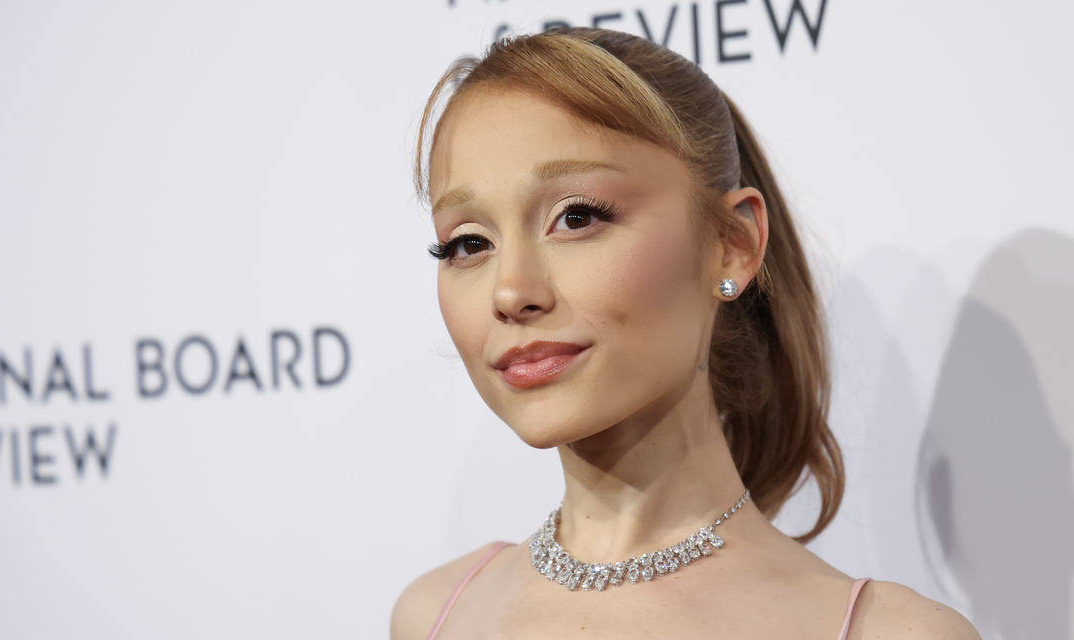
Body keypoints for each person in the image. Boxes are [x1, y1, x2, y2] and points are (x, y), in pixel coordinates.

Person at [391, 27, 980, 640]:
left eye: (577, 216)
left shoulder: (884, 633)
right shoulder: (435, 614)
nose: (510, 292)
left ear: (732, 245)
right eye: (468, 244)